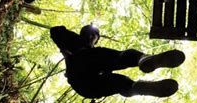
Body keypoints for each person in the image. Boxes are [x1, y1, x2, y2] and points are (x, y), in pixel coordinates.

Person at [50, 25, 185, 98]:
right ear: (81, 35)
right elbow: (55, 31)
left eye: (94, 35)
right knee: (111, 57)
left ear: (96, 39)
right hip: (80, 77)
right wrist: (65, 51)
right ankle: (142, 60)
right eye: (88, 34)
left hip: (92, 87)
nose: (90, 36)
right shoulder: (76, 42)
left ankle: (140, 82)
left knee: (120, 81)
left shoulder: (97, 54)